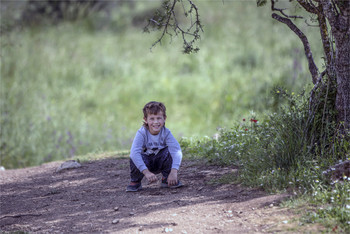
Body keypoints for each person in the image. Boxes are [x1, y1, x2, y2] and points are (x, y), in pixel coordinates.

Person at [126, 101, 183, 192]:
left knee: (171, 151)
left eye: (159, 118)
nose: (156, 122)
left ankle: (167, 178)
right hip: (146, 163)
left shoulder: (166, 133)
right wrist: (146, 172)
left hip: (160, 160)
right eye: (152, 118)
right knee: (135, 155)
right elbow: (134, 153)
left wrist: (174, 172)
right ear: (145, 119)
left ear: (164, 118)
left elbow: (177, 151)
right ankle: (135, 181)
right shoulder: (142, 133)